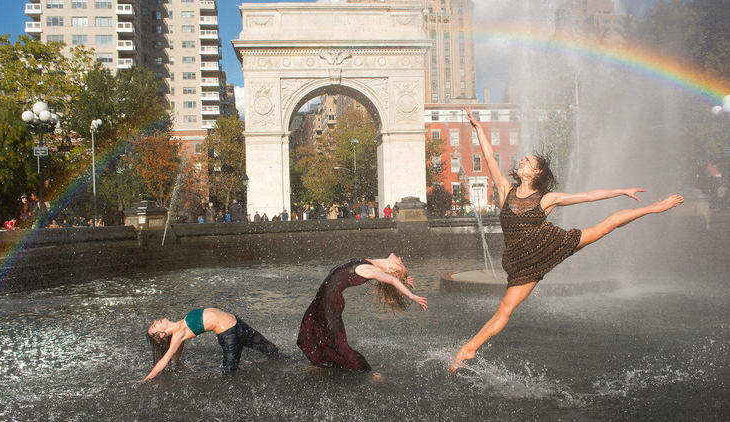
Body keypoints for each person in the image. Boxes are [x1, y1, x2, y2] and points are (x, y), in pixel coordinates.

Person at [450, 107, 684, 372]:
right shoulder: (506, 190)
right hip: (520, 261)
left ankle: (653, 208)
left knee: (605, 227)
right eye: (523, 160)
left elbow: (587, 195)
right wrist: (478, 128)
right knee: (505, 308)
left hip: (550, 245)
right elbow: (489, 158)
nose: (522, 162)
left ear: (537, 172)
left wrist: (622, 190)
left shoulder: (547, 199)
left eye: (528, 161)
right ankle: (471, 349)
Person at [297, 254, 428, 372]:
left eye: (400, 264)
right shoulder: (371, 262)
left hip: (330, 303)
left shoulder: (372, 270)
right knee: (308, 335)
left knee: (339, 344)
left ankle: (367, 371)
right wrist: (403, 279)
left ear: (392, 270)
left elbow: (392, 280)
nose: (400, 259)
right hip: (321, 299)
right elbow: (391, 277)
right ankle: (326, 363)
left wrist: (411, 295)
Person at [141, 308, 285, 381]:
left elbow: (179, 348)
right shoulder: (178, 334)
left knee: (272, 350)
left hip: (239, 325)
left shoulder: (181, 326)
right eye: (153, 327)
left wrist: (177, 362)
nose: (154, 322)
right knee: (230, 375)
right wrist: (147, 379)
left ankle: (292, 365)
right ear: (161, 335)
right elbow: (165, 359)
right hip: (229, 337)